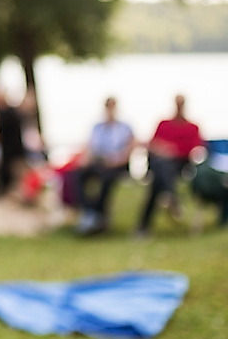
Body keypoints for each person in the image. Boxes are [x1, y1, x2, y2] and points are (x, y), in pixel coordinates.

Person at [137, 94, 203, 236]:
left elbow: (195, 149)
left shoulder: (192, 128)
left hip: (179, 164)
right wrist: (161, 149)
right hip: (160, 164)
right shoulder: (163, 124)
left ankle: (143, 227)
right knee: (161, 165)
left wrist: (173, 150)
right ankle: (172, 198)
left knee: (157, 180)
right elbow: (153, 144)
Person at [74, 97, 135, 236]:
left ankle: (97, 215)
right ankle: (89, 212)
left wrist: (113, 161)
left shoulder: (125, 128)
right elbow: (90, 148)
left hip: (117, 165)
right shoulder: (97, 127)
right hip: (99, 163)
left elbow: (128, 151)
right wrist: (85, 161)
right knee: (78, 175)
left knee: (106, 179)